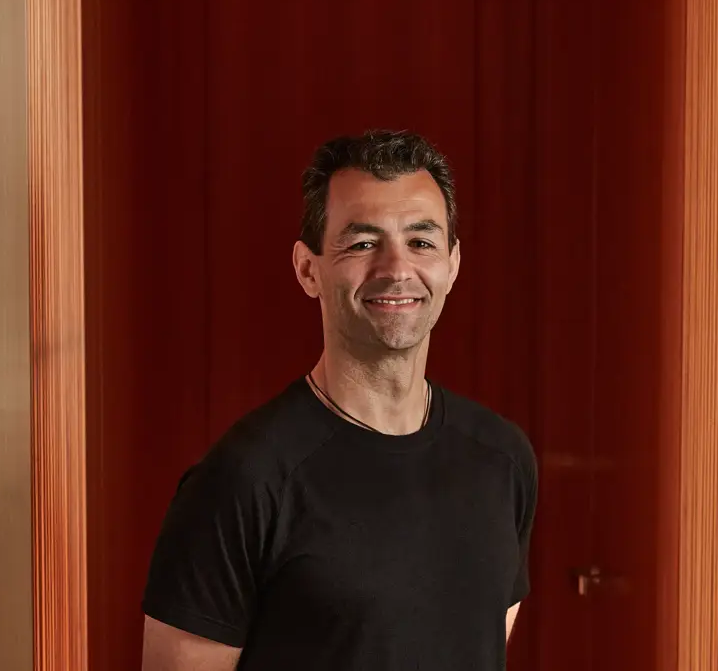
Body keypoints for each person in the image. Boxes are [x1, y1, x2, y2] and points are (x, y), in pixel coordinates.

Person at [140, 129, 538, 670]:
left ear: (453, 264)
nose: (397, 268)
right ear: (309, 269)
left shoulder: (503, 459)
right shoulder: (243, 480)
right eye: (363, 242)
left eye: (421, 241)